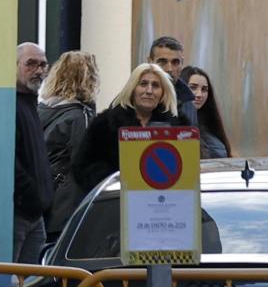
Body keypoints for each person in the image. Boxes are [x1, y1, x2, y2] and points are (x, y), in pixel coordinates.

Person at [72, 63, 188, 193]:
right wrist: (112, 183)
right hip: (117, 202)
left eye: (155, 86)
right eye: (143, 84)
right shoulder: (105, 124)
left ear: (163, 92)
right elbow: (82, 166)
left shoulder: (179, 126)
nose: (149, 91)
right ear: (132, 89)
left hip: (165, 201)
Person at [39, 51, 99, 242]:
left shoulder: (41, 110)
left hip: (42, 202)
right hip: (67, 207)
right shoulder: (79, 116)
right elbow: (84, 162)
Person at [13, 44, 52, 263]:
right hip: (20, 212)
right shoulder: (11, 106)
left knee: (29, 285)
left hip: (36, 215)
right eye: (31, 64)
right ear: (15, 66)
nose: (38, 70)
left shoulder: (31, 104)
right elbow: (12, 161)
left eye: (43, 64)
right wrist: (31, 194)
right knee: (7, 282)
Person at [147, 36, 199, 129]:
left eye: (175, 62)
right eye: (162, 62)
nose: (169, 69)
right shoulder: (134, 98)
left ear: (182, 63)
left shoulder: (188, 102)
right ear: (150, 62)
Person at [182, 66, 232, 159]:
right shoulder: (172, 123)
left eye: (204, 89)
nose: (199, 94)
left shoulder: (211, 127)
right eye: (193, 87)